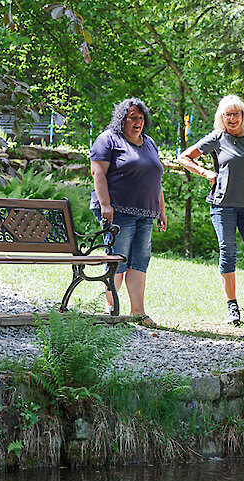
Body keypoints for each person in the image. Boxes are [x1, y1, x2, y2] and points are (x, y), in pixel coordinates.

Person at [178, 94, 244, 327]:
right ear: (222, 117)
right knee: (228, 253)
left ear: (243, 116)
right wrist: (206, 173)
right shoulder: (217, 138)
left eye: (236, 114)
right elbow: (184, 157)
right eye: (227, 114)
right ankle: (232, 308)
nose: (232, 118)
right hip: (223, 206)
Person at [90, 98, 166, 327]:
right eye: (133, 118)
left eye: (141, 118)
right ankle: (112, 309)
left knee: (139, 262)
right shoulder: (108, 140)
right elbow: (98, 174)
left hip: (146, 213)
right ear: (121, 119)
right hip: (118, 211)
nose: (138, 123)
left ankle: (138, 312)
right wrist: (105, 205)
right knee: (117, 259)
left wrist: (161, 211)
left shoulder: (149, 143)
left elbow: (157, 179)